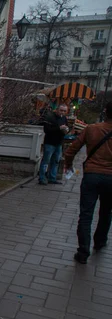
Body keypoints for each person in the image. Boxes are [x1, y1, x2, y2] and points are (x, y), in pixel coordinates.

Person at [64, 101, 112, 264]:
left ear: (105, 111)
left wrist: (68, 165)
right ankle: (100, 241)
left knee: (86, 214)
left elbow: (72, 149)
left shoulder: (92, 129)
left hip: (92, 175)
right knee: (106, 212)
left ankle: (83, 251)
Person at [39, 104, 70, 185]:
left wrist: (66, 130)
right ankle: (42, 178)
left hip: (59, 143)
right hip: (50, 142)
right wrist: (59, 128)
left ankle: (52, 178)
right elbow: (47, 130)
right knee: (46, 161)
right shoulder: (50, 117)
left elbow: (67, 127)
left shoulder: (64, 118)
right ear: (57, 110)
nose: (62, 112)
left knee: (56, 161)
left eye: (64, 111)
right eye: (61, 110)